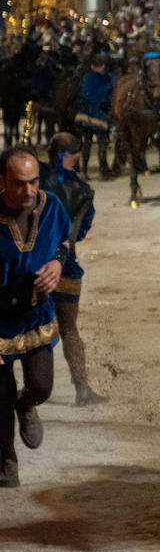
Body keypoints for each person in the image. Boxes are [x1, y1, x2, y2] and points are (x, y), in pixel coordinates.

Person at [0, 147, 71, 488]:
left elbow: (64, 242)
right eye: (19, 183)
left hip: (36, 315)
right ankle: (6, 464)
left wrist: (58, 263)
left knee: (41, 386)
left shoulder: (51, 206)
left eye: (33, 182)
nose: (28, 191)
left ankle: (26, 404)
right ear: (2, 181)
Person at [37, 134, 103, 407]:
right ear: (71, 155)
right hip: (66, 265)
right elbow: (80, 231)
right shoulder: (85, 191)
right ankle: (82, 388)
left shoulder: (37, 177)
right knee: (70, 328)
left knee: (25, 327)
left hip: (34, 263)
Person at [75, 53, 115, 180]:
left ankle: (85, 171)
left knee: (87, 144)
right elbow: (107, 97)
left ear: (92, 66)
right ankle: (102, 171)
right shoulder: (109, 79)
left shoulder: (87, 78)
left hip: (85, 115)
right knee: (101, 144)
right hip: (100, 116)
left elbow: (85, 95)